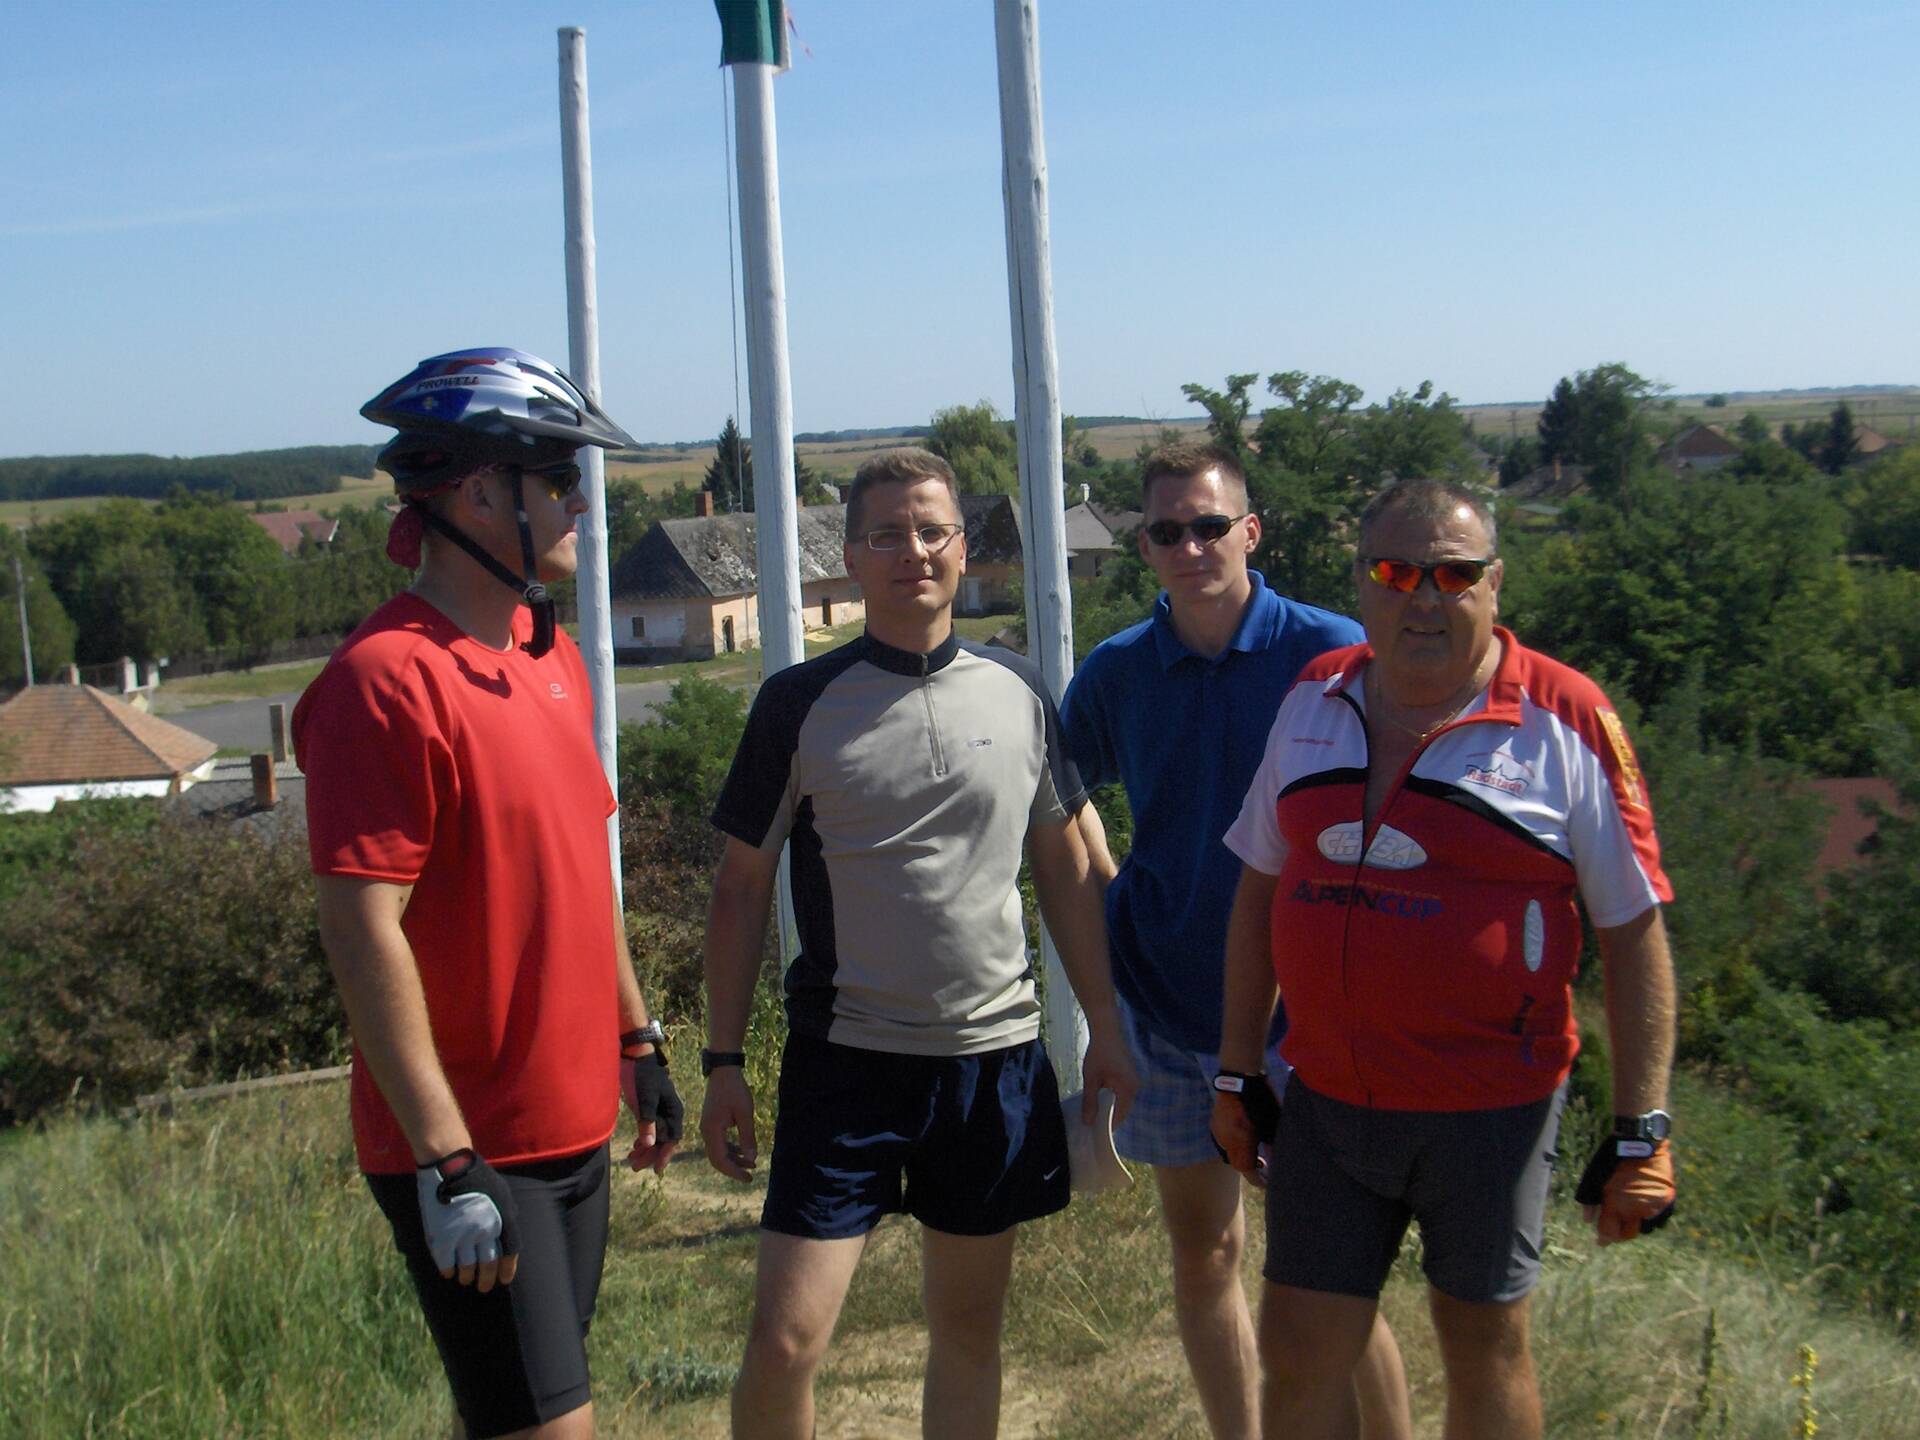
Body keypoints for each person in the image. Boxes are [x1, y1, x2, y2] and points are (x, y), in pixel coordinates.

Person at [1212, 477, 1679, 1440]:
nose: (1424, 598)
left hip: (1490, 1108)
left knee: (1483, 1345)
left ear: (1495, 583)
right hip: (1329, 1095)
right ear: (1361, 582)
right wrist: (1236, 1070)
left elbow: (1633, 929)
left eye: (1454, 575)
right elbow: (1259, 889)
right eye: (1396, 573)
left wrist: (1643, 1128)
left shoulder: (1565, 717)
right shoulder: (1313, 694)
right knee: (1297, 1349)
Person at [698, 446, 1139, 1440]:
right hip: (845, 1062)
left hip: (991, 1061)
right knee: (784, 1343)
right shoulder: (797, 704)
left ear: (964, 547)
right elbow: (739, 889)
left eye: (932, 531)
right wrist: (724, 1062)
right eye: (887, 535)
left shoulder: (1020, 690)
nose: (914, 552)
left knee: (969, 1333)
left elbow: (1065, 869)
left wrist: (1106, 1028)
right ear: (851, 557)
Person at [294, 347, 685, 1440]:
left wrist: (637, 1039)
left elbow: (582, 865)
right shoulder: (384, 680)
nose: (579, 504)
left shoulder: (543, 654)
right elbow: (360, 927)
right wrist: (444, 1155)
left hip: (572, 1123)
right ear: (478, 494)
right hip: (475, 1145)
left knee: (512, 1419)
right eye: (559, 479)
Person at [1060, 441, 1411, 1440]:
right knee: (1204, 1253)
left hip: (1310, 1016)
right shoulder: (1119, 672)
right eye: (1167, 531)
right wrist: (1114, 891)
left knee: (1328, 1269)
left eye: (1210, 526)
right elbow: (1057, 797)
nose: (1190, 547)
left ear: (1250, 531)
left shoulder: (1333, 655)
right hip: (1168, 1007)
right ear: (1144, 546)